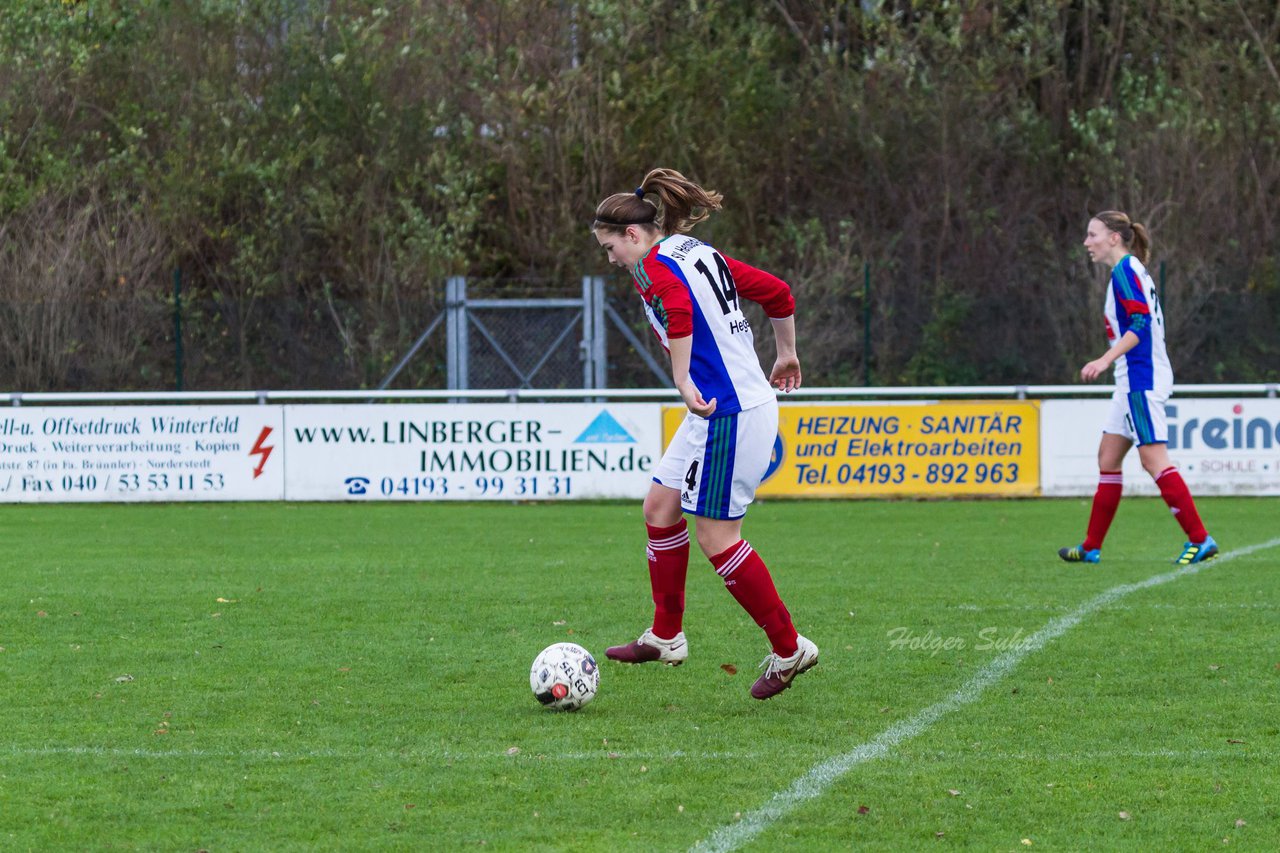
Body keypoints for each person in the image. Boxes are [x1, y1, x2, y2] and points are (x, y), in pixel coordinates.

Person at [591, 168, 817, 700]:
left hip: (729, 412)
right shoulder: (695, 251)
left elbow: (679, 311)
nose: (610, 259)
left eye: (609, 247)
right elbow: (777, 292)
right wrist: (785, 352)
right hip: (716, 409)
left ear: (632, 234)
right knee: (660, 508)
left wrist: (680, 376)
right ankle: (666, 635)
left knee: (718, 537)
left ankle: (790, 649)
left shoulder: (655, 267)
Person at [1059, 210, 1219, 566]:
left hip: (1140, 379)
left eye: (1092, 235)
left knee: (1153, 459)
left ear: (1114, 238)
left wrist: (1104, 359)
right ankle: (1090, 547)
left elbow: (1141, 321)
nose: (1087, 242)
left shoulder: (1125, 271)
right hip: (1131, 380)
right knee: (1108, 457)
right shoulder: (1130, 270)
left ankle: (1200, 538)